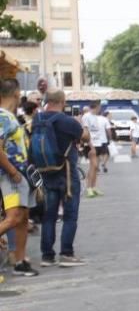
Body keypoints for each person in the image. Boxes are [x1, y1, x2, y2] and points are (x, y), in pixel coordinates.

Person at [35, 90, 86, 267]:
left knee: (49, 216)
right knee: (70, 215)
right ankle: (66, 253)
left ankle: (47, 256)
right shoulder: (68, 121)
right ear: (62, 102)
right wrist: (81, 124)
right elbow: (84, 137)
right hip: (67, 174)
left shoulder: (37, 119)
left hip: (46, 173)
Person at [0, 79, 36, 276]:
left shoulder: (9, 117)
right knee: (13, 218)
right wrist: (13, 172)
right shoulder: (3, 117)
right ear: (16, 93)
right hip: (11, 175)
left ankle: (20, 261)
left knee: (23, 218)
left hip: (20, 174)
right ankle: (19, 260)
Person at [80, 105, 107, 197]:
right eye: (99, 107)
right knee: (93, 166)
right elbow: (86, 132)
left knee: (96, 167)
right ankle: (89, 188)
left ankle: (94, 187)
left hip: (98, 143)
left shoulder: (95, 117)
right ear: (96, 107)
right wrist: (91, 146)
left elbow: (97, 132)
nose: (100, 109)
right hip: (91, 144)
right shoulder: (86, 116)